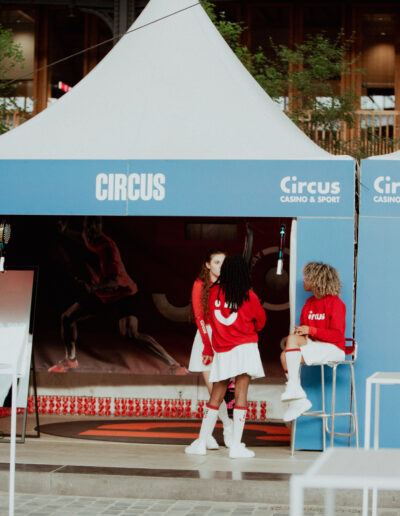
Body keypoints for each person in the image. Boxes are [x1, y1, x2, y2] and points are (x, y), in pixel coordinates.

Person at [48, 216, 186, 375]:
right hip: (101, 294)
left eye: (94, 227)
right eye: (87, 227)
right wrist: (65, 231)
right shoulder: (86, 236)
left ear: (100, 227)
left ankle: (175, 365)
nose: (90, 231)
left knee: (130, 334)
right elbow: (80, 237)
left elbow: (112, 283)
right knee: (67, 318)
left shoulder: (108, 248)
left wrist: (91, 288)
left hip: (123, 294)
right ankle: (71, 360)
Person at [185, 255, 266, 459]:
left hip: (223, 350)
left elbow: (209, 320)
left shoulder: (213, 293)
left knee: (215, 396)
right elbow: (261, 322)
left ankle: (201, 443)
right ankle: (236, 446)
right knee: (241, 395)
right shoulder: (249, 295)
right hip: (246, 348)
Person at [280, 262, 346, 422]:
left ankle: (297, 396)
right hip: (315, 344)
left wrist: (311, 330)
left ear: (317, 280)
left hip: (333, 348)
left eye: (307, 278)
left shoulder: (336, 303)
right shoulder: (309, 302)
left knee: (288, 353)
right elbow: (307, 332)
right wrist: (302, 332)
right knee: (285, 353)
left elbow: (337, 335)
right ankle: (298, 397)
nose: (303, 280)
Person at [188, 249, 233, 449]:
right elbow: (199, 316)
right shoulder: (199, 285)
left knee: (220, 391)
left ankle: (209, 434)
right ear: (207, 265)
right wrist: (207, 345)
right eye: (216, 262)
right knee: (213, 390)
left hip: (225, 337)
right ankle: (227, 426)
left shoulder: (229, 285)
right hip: (206, 336)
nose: (220, 266)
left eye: (223, 262)